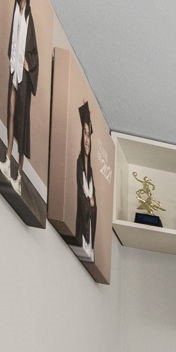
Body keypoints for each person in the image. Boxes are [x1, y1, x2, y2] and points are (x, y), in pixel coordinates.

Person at [2, 0, 39, 189]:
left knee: (23, 123)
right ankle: (7, 157)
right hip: (13, 68)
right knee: (10, 112)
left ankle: (19, 174)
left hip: (23, 75)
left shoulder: (30, 16)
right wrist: (14, 58)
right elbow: (13, 36)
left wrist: (29, 63)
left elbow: (35, 52)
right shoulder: (17, 4)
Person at [73, 102, 97, 259]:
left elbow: (94, 204)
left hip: (89, 230)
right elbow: (84, 198)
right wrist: (90, 203)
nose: (87, 139)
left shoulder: (91, 170)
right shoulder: (79, 162)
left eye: (89, 135)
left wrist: (92, 205)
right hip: (82, 227)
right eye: (84, 133)